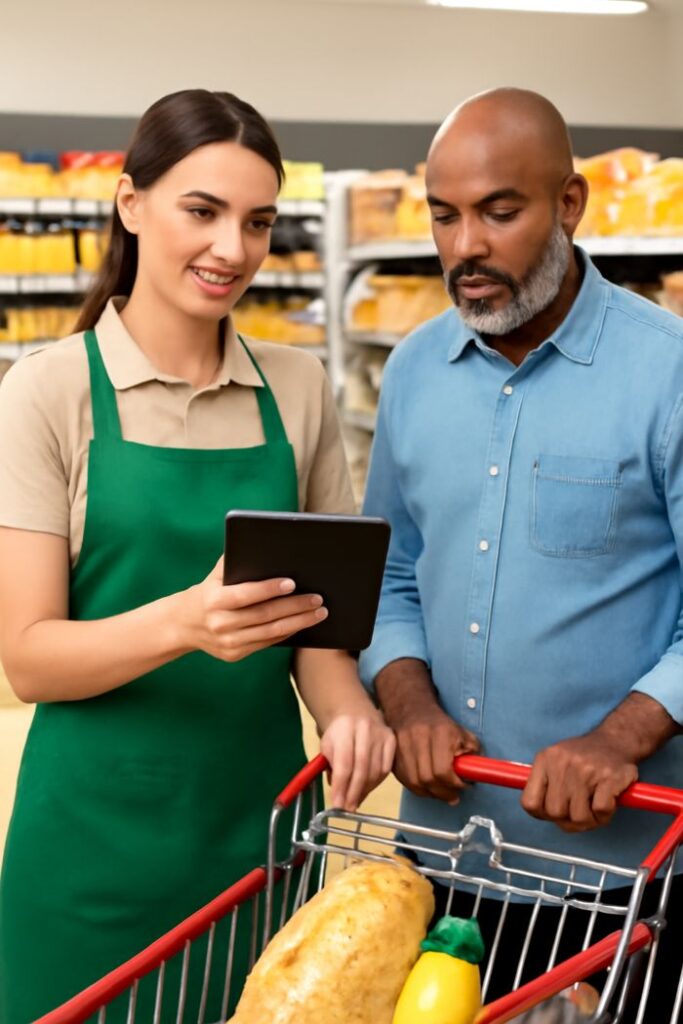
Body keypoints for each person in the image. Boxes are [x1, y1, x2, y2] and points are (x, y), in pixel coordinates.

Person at [0, 89, 395, 1024]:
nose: (233, 249)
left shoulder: (296, 389)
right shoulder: (46, 391)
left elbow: (319, 633)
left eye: (257, 222)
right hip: (87, 854)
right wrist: (184, 620)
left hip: (255, 841)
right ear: (131, 206)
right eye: (202, 211)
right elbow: (27, 658)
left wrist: (349, 718)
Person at [359, 88, 682, 1019]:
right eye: (444, 215)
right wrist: (407, 698)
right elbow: (391, 572)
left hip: (613, 884)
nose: (466, 248)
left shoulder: (665, 375)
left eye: (500, 212)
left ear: (569, 205)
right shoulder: (413, 370)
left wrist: (619, 737)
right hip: (436, 861)